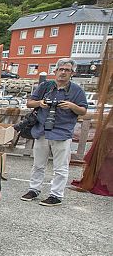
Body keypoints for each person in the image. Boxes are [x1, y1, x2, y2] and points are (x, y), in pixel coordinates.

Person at [20, 58, 88, 207]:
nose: (63, 72)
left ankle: (56, 195)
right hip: (42, 130)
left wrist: (71, 106)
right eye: (61, 69)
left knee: (61, 167)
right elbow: (30, 103)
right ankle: (34, 189)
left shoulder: (76, 90)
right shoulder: (46, 86)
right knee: (38, 164)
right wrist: (40, 103)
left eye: (67, 70)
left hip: (62, 132)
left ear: (72, 73)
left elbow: (83, 110)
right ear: (55, 71)